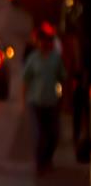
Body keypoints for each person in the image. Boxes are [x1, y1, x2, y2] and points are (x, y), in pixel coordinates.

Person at [22, 27, 67, 175]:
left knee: (53, 134)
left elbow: (63, 77)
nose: (43, 43)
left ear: (50, 42)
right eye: (41, 41)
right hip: (36, 101)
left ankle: (48, 159)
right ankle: (40, 164)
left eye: (46, 41)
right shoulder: (33, 58)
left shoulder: (56, 58)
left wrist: (64, 98)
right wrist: (24, 100)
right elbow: (26, 79)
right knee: (40, 134)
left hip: (52, 102)